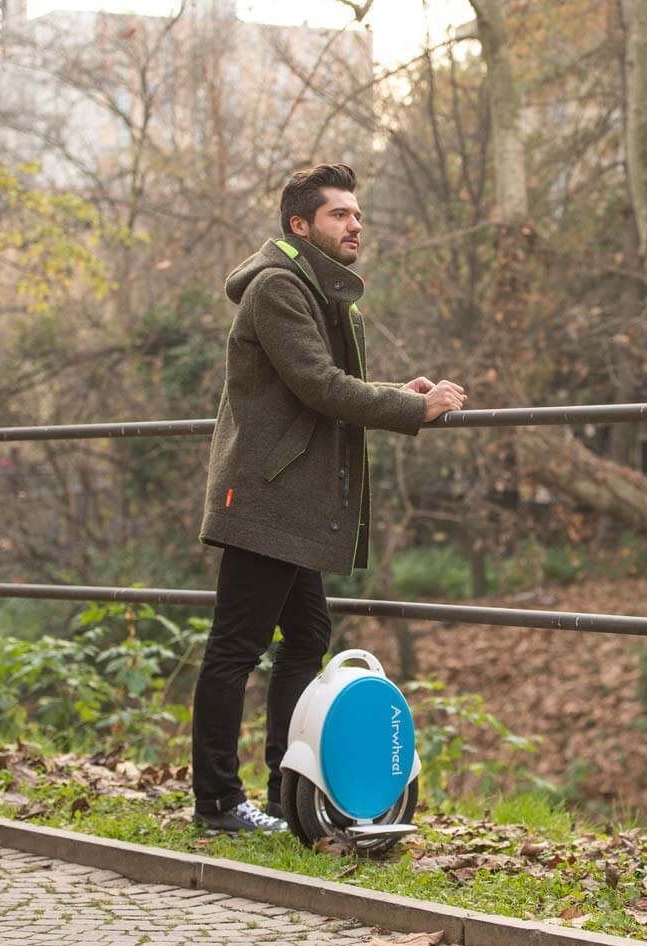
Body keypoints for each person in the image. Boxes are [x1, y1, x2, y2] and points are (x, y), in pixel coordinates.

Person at [192, 163, 467, 832]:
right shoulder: (278, 288)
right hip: (266, 498)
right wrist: (413, 409)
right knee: (236, 647)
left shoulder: (315, 289)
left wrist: (398, 393)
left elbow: (323, 384)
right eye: (339, 214)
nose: (355, 224)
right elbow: (319, 385)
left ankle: (285, 792)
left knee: (306, 637)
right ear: (300, 225)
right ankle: (218, 803)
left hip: (290, 500)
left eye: (357, 214)